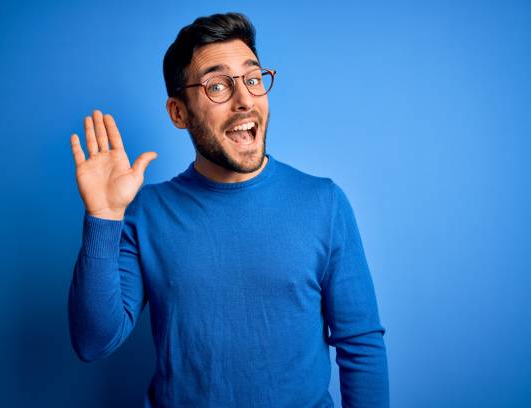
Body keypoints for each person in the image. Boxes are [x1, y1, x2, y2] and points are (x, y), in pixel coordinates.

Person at [68, 12, 389, 408]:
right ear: (178, 112)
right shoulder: (145, 212)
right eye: (217, 85)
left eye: (253, 79)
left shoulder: (325, 203)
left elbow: (361, 346)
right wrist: (103, 215)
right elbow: (93, 341)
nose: (244, 100)